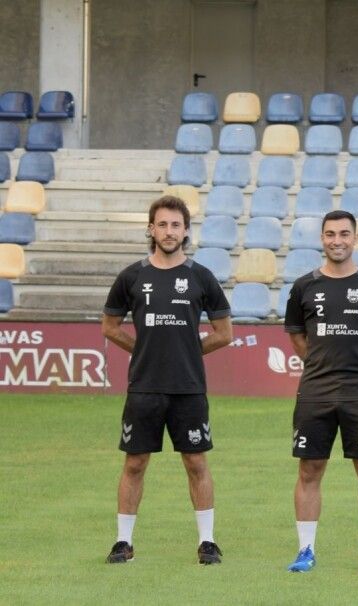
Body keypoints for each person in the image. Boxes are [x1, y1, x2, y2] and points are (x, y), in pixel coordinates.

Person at [101, 194, 233, 565]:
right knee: (135, 464)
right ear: (151, 229)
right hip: (144, 387)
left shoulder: (200, 276)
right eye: (162, 224)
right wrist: (141, 348)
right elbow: (110, 326)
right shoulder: (132, 276)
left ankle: (207, 542)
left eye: (176, 225)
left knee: (196, 463)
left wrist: (190, 352)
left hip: (188, 388)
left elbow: (224, 332)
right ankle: (123, 542)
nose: (169, 231)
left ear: (186, 231)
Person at [283, 210, 358, 573]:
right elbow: (297, 337)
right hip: (315, 392)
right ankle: (305, 551)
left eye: (344, 234)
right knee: (310, 469)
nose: (337, 240)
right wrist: (320, 365)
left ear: (356, 239)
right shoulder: (304, 286)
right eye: (331, 234)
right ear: (322, 238)